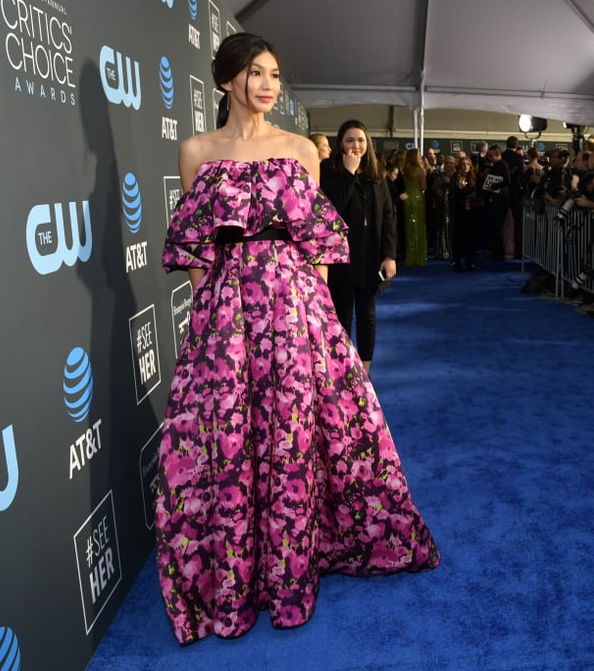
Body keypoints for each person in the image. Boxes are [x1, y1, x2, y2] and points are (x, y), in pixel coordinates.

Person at [156, 34, 438, 645]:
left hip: (292, 314)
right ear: (228, 79)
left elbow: (317, 251)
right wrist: (216, 321)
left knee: (291, 435)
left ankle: (289, 571)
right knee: (230, 437)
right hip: (227, 321)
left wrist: (322, 326)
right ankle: (235, 574)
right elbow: (198, 257)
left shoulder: (300, 152)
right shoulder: (196, 151)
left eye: (275, 74)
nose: (267, 84)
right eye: (255, 72)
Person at [321, 120, 399, 374]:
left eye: (361, 140)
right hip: (340, 259)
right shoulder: (328, 171)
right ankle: (342, 369)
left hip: (370, 257)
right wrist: (348, 173)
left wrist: (389, 255)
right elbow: (331, 211)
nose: (356, 145)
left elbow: (388, 217)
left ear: (368, 144)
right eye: (350, 140)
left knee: (367, 315)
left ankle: (365, 371)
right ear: (340, 144)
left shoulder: (376, 175)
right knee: (341, 316)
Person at [400, 149, 428, 266]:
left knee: (410, 227)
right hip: (418, 199)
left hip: (407, 199)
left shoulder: (404, 171)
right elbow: (424, 187)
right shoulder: (420, 170)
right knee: (419, 227)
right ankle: (420, 258)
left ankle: (410, 257)